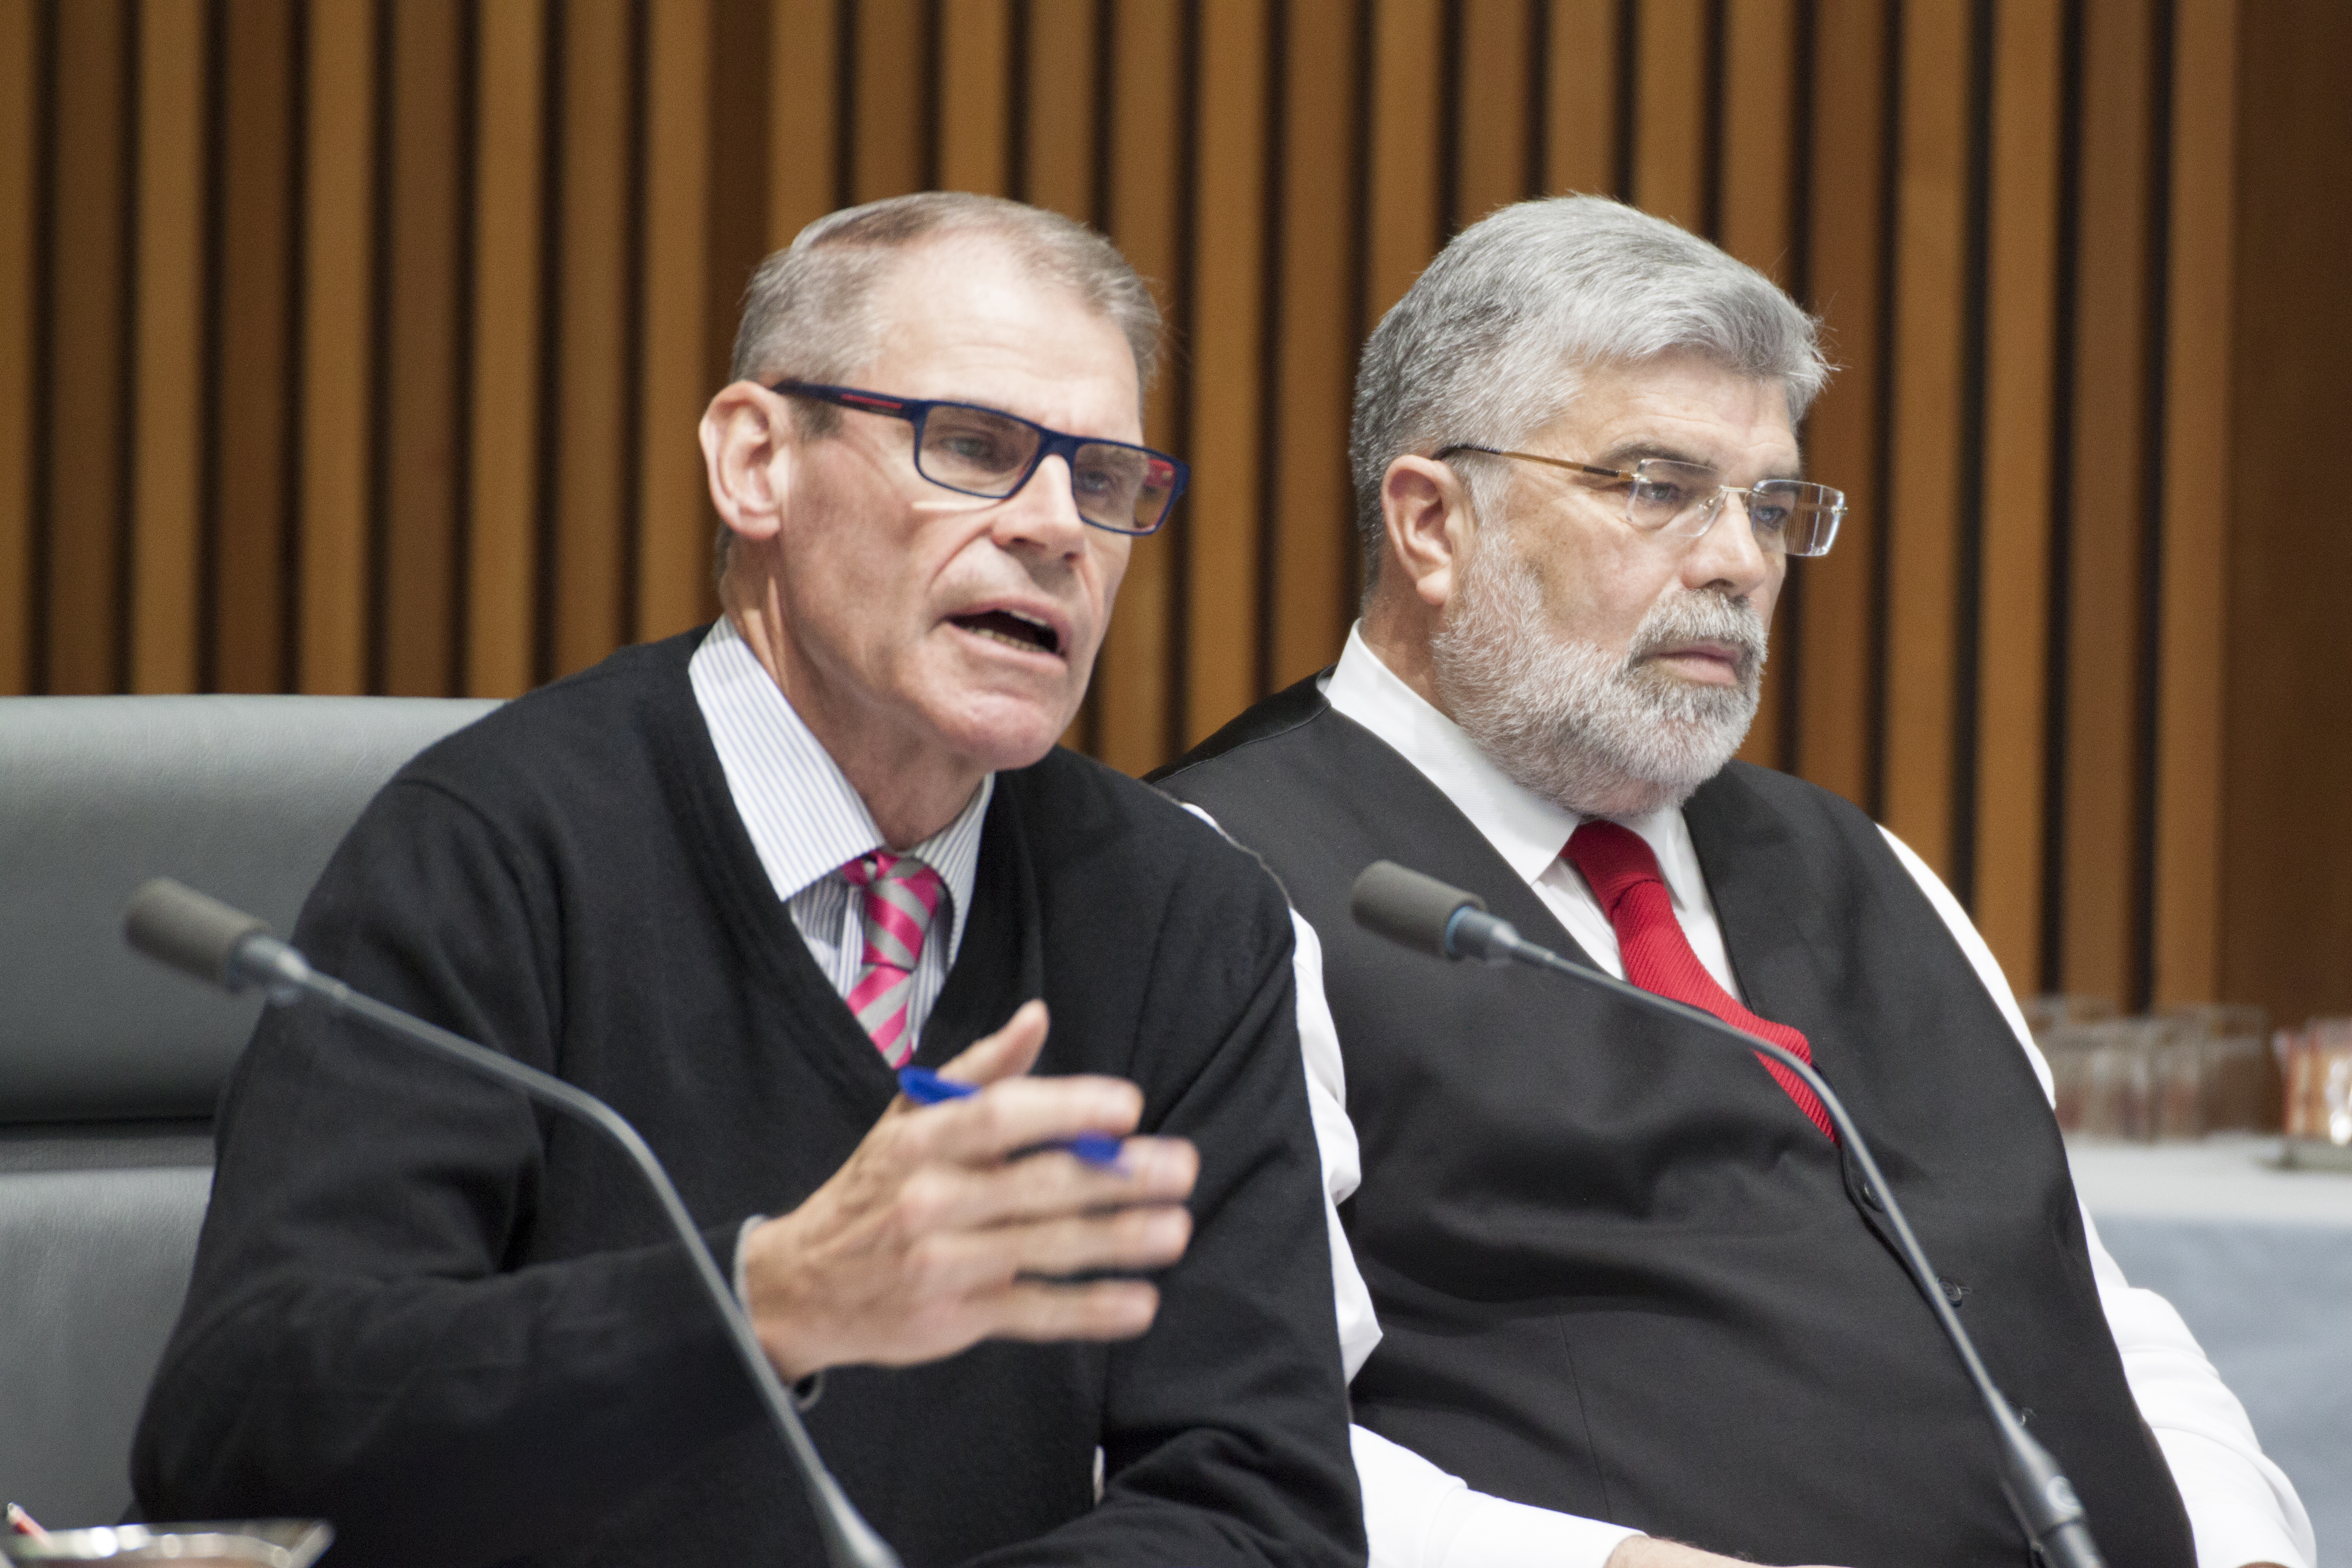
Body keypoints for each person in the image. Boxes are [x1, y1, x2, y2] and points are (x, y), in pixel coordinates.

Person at [133, 193, 1364, 1568]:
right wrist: (765, 1300)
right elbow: (243, 1427)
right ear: (756, 461)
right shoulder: (493, 848)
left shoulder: (1183, 921)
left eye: (1105, 481)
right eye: (975, 449)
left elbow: (1261, 1512)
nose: (1056, 530)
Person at [1156, 197, 2313, 1568]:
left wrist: (2240, 1545)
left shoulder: (1866, 866)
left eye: (1770, 505)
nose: (1738, 563)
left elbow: (2084, 1303)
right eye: (1657, 487)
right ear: (1433, 522)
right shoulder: (1221, 885)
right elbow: (1240, 1438)